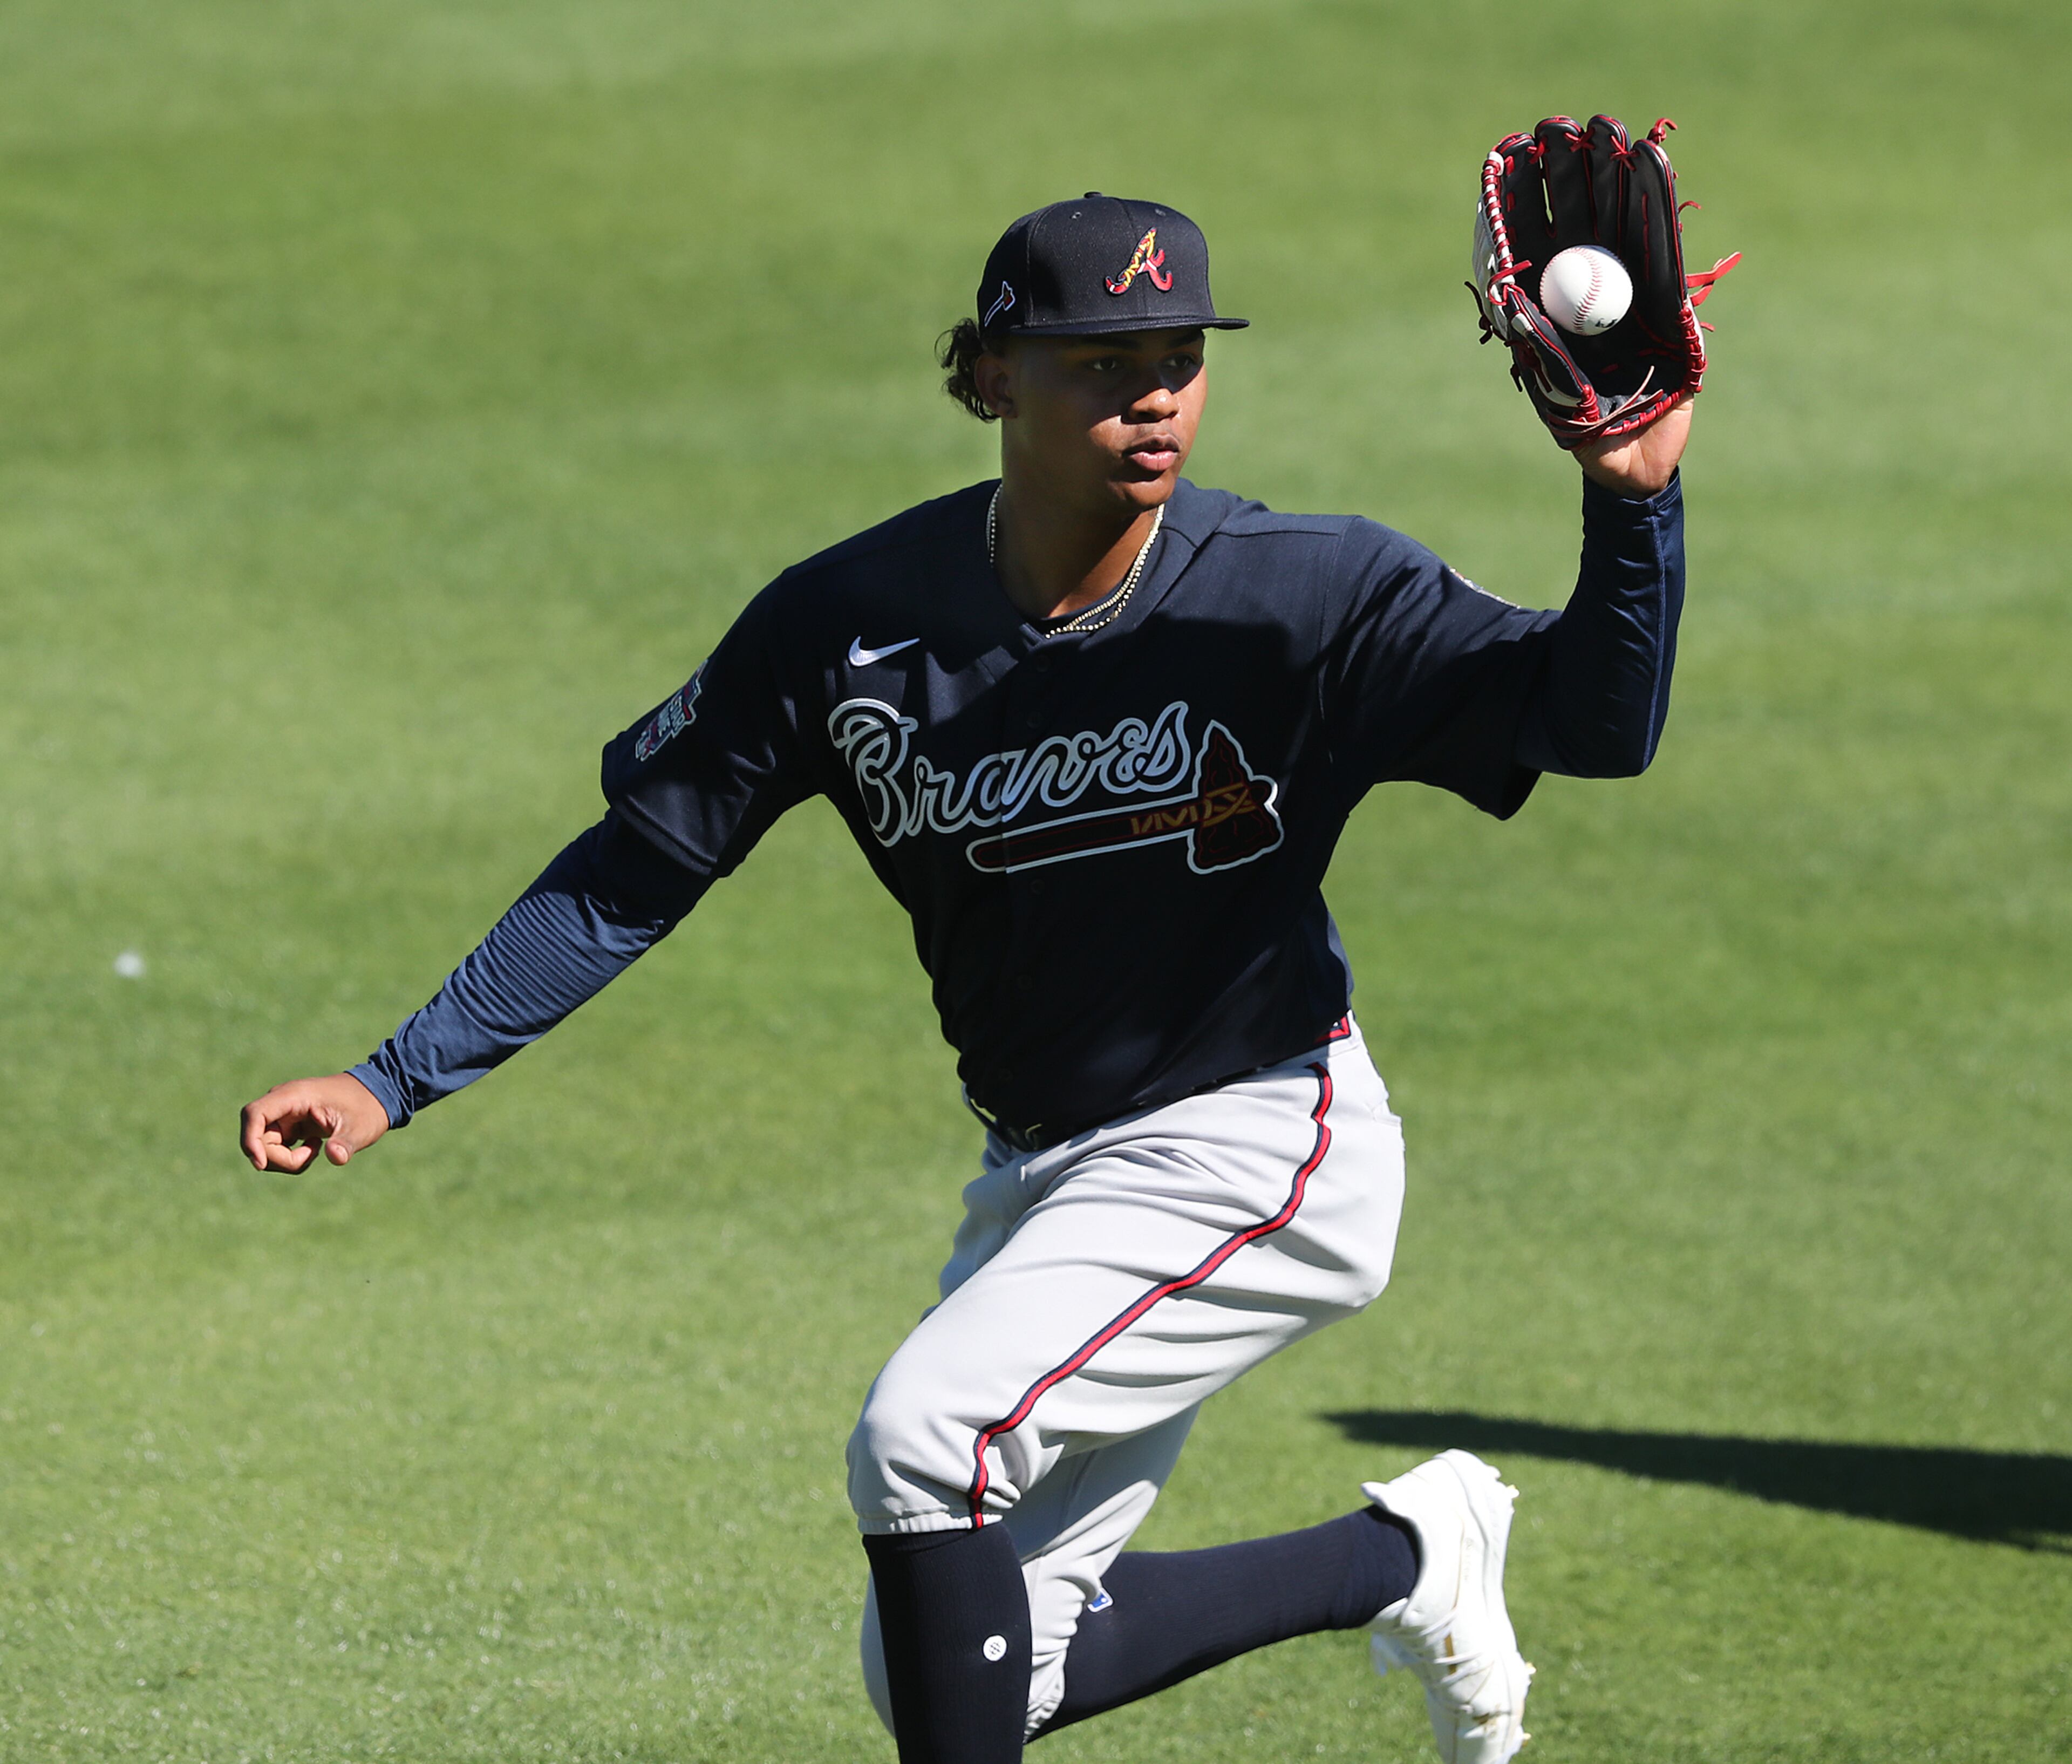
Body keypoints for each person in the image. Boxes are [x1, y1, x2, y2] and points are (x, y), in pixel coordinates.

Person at [241, 193, 1690, 1763]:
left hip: (1261, 1141)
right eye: (1101, 360)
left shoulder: (1305, 594)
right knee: (990, 1663)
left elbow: (1592, 729)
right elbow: (638, 869)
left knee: (924, 1441)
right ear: (993, 374)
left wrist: (1632, 508)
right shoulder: (847, 622)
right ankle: (1413, 1558)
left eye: (1181, 358)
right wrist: (397, 1074)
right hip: (1047, 1172)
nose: (1152, 395)